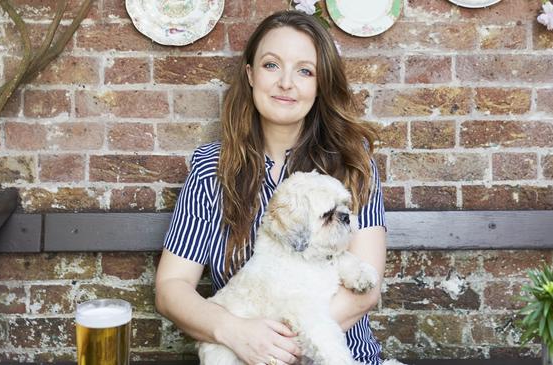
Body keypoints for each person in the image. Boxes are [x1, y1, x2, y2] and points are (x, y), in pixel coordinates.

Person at [155, 10, 387, 365]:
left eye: (305, 70)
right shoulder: (210, 169)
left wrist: (282, 351)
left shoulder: (353, 162)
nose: (286, 83)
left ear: (320, 84)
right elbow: (172, 289)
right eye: (271, 65)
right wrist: (234, 331)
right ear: (250, 74)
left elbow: (363, 293)